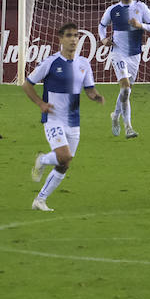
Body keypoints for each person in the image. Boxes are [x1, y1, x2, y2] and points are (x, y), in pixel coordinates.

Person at [24, 22, 104, 212]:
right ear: (60, 39)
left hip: (73, 121)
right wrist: (40, 104)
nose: (73, 39)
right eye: (68, 35)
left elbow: (89, 89)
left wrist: (95, 96)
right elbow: (27, 84)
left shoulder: (84, 63)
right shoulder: (50, 62)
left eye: (76, 35)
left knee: (65, 163)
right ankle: (43, 160)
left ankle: (40, 200)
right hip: (53, 119)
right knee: (64, 155)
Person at [98, 0, 150, 139]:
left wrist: (141, 25)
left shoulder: (141, 7)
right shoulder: (113, 10)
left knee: (126, 92)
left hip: (135, 55)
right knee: (124, 89)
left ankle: (115, 116)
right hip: (118, 53)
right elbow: (101, 26)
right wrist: (103, 39)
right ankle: (128, 127)